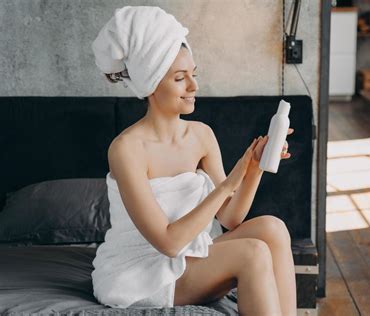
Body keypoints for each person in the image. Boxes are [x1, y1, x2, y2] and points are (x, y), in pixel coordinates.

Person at [91, 6, 296, 316]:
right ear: (151, 84)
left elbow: (229, 218)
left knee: (273, 229)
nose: (194, 86)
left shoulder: (201, 135)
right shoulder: (126, 149)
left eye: (194, 74)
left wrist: (252, 168)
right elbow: (169, 243)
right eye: (179, 78)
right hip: (142, 271)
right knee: (252, 253)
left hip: (191, 253)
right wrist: (230, 181)